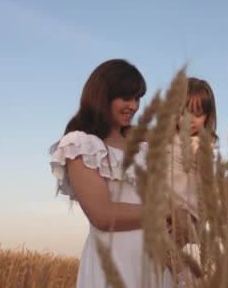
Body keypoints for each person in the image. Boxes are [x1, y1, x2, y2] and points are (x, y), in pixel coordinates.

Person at [49, 59, 168, 287]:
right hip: (113, 263)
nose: (133, 106)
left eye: (137, 98)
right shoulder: (82, 144)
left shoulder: (143, 150)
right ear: (103, 96)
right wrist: (166, 212)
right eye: (126, 98)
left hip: (156, 263)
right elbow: (102, 215)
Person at [165, 77, 218, 285]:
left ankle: (187, 280)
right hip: (166, 207)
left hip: (184, 210)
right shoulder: (169, 139)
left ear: (207, 117)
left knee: (167, 252)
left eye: (198, 114)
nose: (190, 120)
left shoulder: (200, 145)